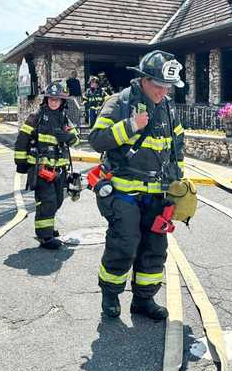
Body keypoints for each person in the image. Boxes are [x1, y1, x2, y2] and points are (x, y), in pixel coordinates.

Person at [89, 50, 186, 320]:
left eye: (168, 87)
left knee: (155, 248)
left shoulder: (167, 107)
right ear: (143, 79)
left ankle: (144, 300)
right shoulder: (118, 103)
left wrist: (178, 185)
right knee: (124, 244)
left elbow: (177, 146)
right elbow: (97, 140)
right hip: (123, 191)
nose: (163, 92)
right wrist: (130, 126)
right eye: (158, 85)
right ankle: (110, 294)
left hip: (157, 193)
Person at [14, 81, 80, 250]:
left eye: (57, 99)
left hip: (60, 169)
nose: (54, 102)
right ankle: (45, 237)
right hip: (41, 169)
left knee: (57, 200)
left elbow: (76, 140)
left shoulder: (64, 118)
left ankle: (47, 228)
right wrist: (21, 164)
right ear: (46, 99)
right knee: (47, 202)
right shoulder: (35, 117)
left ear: (62, 101)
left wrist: (67, 137)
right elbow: (22, 140)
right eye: (51, 98)